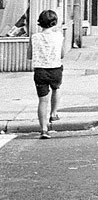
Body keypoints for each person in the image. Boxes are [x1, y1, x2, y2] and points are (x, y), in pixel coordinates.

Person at [30, 9, 63, 139]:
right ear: (54, 22)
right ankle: (54, 113)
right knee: (56, 89)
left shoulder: (34, 37)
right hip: (55, 68)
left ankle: (43, 129)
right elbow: (62, 54)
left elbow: (29, 55)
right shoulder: (59, 36)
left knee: (42, 100)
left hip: (40, 71)